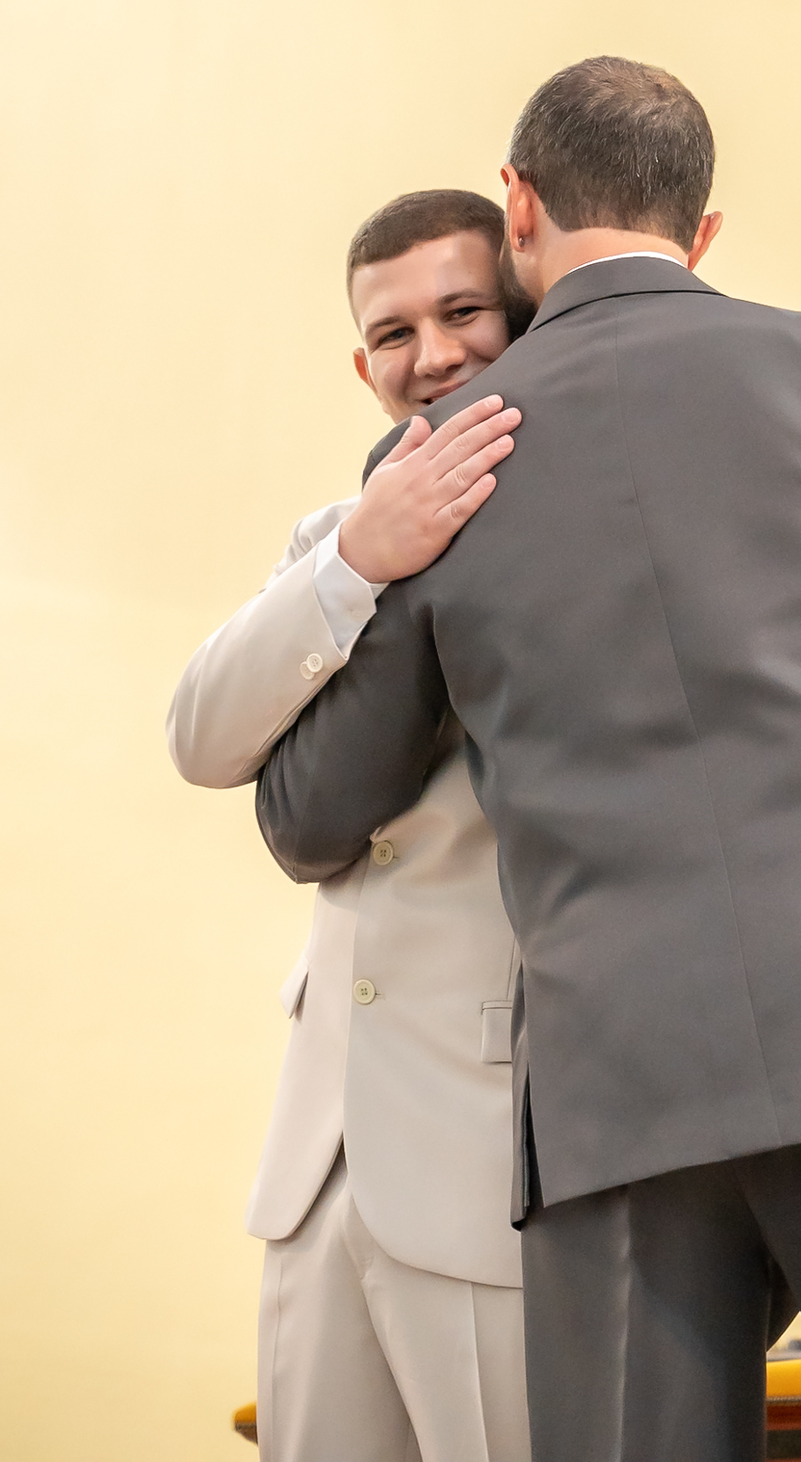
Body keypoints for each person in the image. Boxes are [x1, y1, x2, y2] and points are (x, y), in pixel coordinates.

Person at [255, 58, 801, 1462]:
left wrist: (361, 557)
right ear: (701, 231)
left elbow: (312, 812)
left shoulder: (444, 455)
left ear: (517, 206)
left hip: (618, 1091)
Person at [169, 189, 533, 1462]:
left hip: (486, 1157)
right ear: (361, 361)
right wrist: (357, 560)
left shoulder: (587, 522)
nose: (430, 354)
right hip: (316, 1164)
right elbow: (203, 736)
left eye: (463, 311)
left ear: (523, 305)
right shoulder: (329, 536)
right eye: (393, 332)